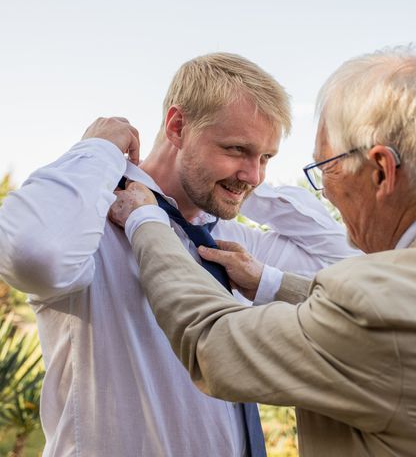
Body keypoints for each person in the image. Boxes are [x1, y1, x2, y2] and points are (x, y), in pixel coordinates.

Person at [110, 45, 416, 457]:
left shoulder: (383, 300)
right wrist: (271, 282)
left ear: (381, 170)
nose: (325, 192)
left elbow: (211, 343)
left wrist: (146, 219)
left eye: (324, 168)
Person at [0, 53, 360, 457]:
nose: (255, 173)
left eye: (265, 158)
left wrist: (243, 191)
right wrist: (99, 150)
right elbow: (33, 254)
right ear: (177, 126)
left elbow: (349, 270)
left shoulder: (233, 244)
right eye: (237, 148)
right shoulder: (91, 229)